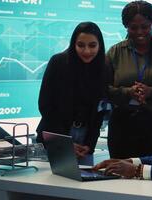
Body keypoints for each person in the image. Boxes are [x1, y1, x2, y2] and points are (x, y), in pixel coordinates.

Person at [106, 0, 152, 159]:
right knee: (119, 177)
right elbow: (103, 90)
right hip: (121, 126)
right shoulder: (115, 53)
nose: (140, 32)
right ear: (126, 26)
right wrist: (128, 92)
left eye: (145, 26)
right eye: (133, 27)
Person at [36, 22, 107, 164]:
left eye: (92, 45)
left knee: (83, 183)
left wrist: (89, 144)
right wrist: (64, 142)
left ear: (100, 46)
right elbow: (45, 105)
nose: (86, 51)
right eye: (81, 45)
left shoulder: (105, 67)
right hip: (56, 135)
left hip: (85, 142)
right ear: (73, 44)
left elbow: (100, 109)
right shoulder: (58, 62)